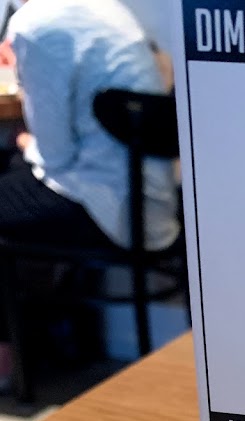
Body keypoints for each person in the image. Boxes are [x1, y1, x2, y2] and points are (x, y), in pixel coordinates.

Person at [0, 0, 180, 386]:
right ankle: (36, 341)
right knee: (14, 174)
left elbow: (55, 154)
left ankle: (9, 359)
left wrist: (29, 144)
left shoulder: (37, 23)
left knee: (13, 175)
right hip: (152, 201)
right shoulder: (99, 6)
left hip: (110, 207)